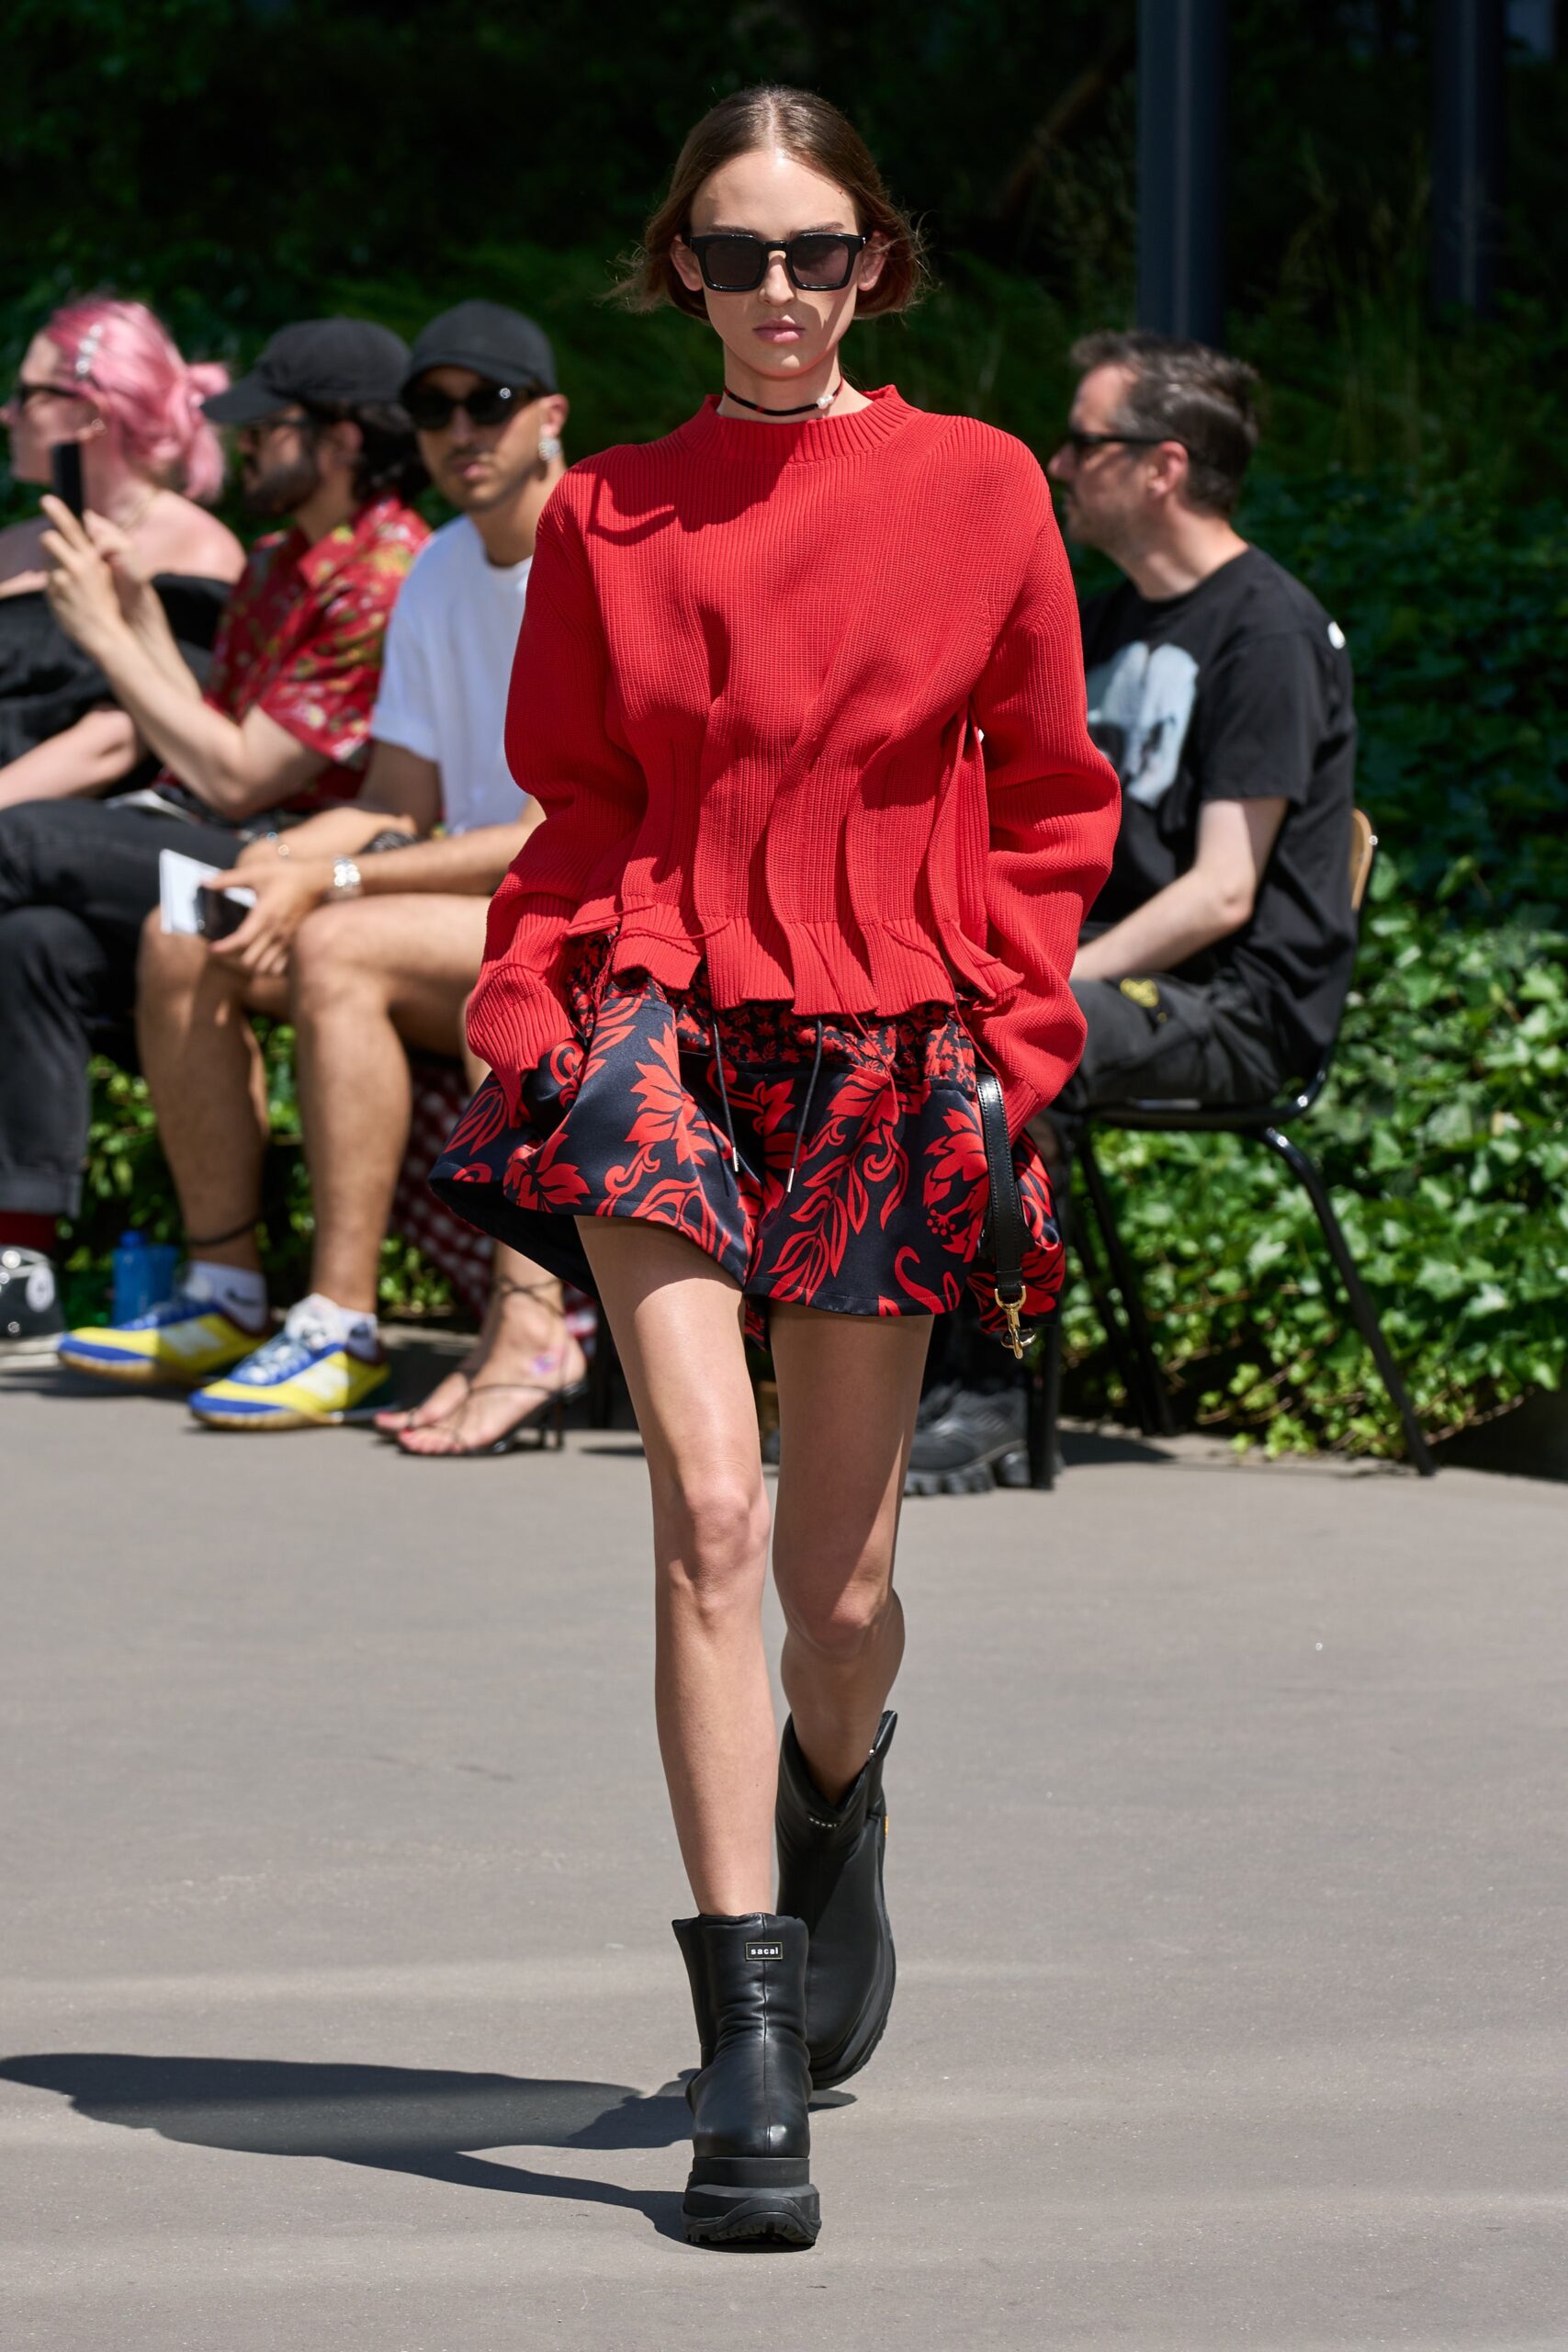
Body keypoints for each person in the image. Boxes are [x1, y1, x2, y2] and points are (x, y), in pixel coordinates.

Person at [426, 86, 1118, 2247]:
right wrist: (531, 995)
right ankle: (745, 2047)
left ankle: (842, 1797)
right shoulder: (611, 513)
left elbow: (1045, 789)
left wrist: (1009, 1036)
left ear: (874, 267)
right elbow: (572, 798)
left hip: (887, 1035)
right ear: (681, 274)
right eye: (733, 256)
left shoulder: (978, 482)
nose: (776, 294)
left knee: (832, 1595)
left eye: (813, 253)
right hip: (661, 1010)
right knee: (706, 1518)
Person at [60, 303, 587, 1442]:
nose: (461, 432)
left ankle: (340, 1325)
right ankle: (226, 1290)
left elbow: (557, 835)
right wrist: (274, 863)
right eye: (435, 410)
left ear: (550, 417)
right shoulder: (443, 567)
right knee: (185, 922)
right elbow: (395, 802)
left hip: (585, 918)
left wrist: (331, 887)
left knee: (337, 945)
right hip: (466, 912)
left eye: (488, 404)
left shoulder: (594, 553)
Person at [901, 330, 1359, 1493]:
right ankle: (899, 1378)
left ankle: (997, 1392)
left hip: (1232, 1002)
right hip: (1106, 976)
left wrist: (1050, 975)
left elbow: (1223, 890)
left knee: (1001, 1046)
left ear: (1161, 466)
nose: (1058, 465)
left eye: (1084, 442)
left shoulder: (1269, 631)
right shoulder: (1103, 622)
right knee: (896, 1020)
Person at [0, 319, 427, 1356]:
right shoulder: (284, 560)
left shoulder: (381, 573)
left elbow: (239, 775)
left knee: (15, 847)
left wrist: (101, 629)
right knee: (35, 943)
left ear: (339, 441)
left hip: (297, 861)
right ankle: (155, 1284)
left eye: (264, 430)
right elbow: (207, 732)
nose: (238, 451)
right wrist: (133, 608)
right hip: (208, 841)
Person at [0, 298, 243, 813]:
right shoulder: (13, 543)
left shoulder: (198, 551)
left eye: (27, 395)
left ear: (87, 414)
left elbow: (115, 742)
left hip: (58, 837)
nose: (7, 414)